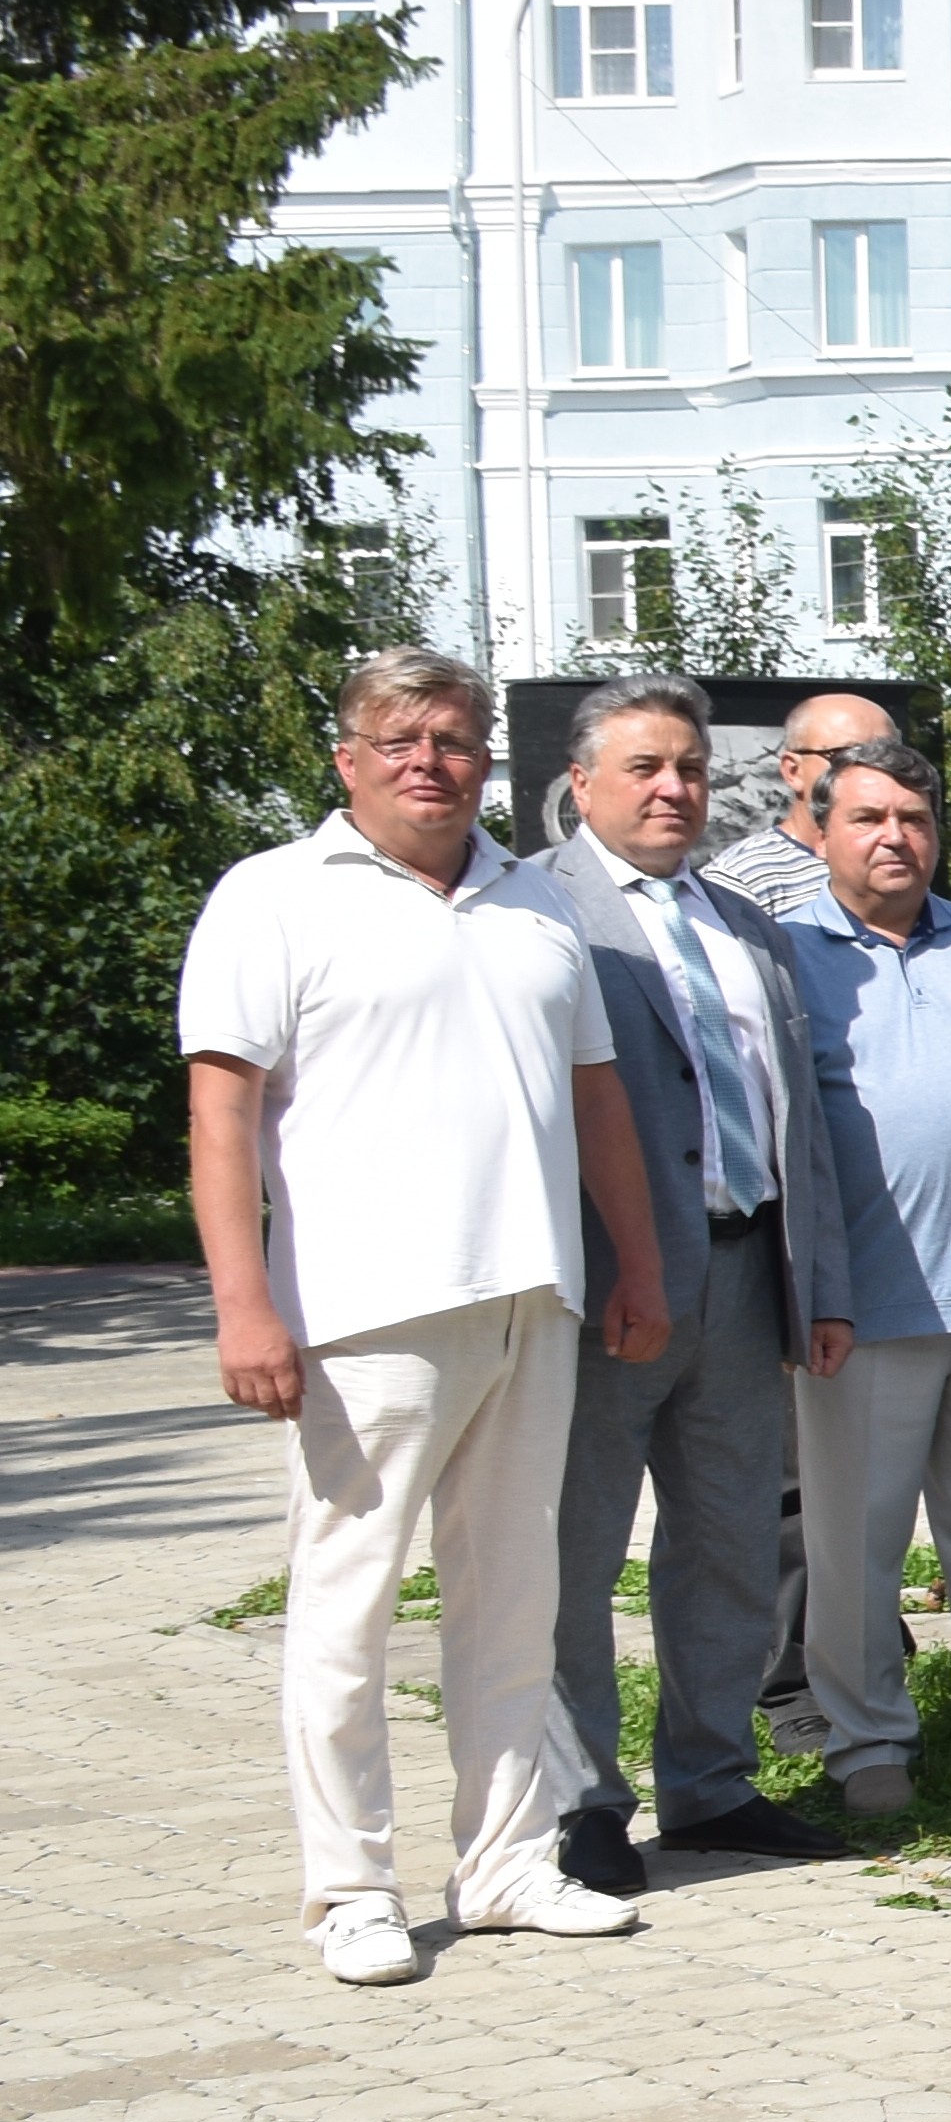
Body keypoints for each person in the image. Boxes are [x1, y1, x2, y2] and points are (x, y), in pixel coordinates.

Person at [186, 645, 669, 1980]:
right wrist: (242, 1304)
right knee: (346, 1611)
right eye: (399, 739)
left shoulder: (533, 902)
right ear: (347, 759)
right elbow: (221, 1109)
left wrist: (636, 1265)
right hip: (365, 1312)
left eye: (452, 738)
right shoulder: (275, 897)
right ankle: (350, 1892)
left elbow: (597, 1103)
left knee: (512, 1602)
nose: (430, 761)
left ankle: (509, 1865)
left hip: (533, 1296)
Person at [515, 672, 853, 1890]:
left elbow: (796, 1120)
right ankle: (583, 1800)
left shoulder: (742, 924)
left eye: (692, 769)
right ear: (580, 784)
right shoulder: (533, 911)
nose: (674, 788)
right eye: (647, 768)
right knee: (580, 1550)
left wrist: (821, 1282)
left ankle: (710, 1788)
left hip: (747, 1273)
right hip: (613, 1292)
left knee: (725, 1549)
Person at [780, 735, 951, 1815]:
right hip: (860, 1309)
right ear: (820, 827)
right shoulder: (788, 953)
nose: (897, 837)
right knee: (856, 1546)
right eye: (870, 818)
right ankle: (867, 1744)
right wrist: (812, 1289)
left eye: (916, 819)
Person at [707, 691, 897, 922]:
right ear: (793, 771)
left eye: (890, 757)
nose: (873, 772)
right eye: (848, 757)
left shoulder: (901, 858)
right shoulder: (743, 881)